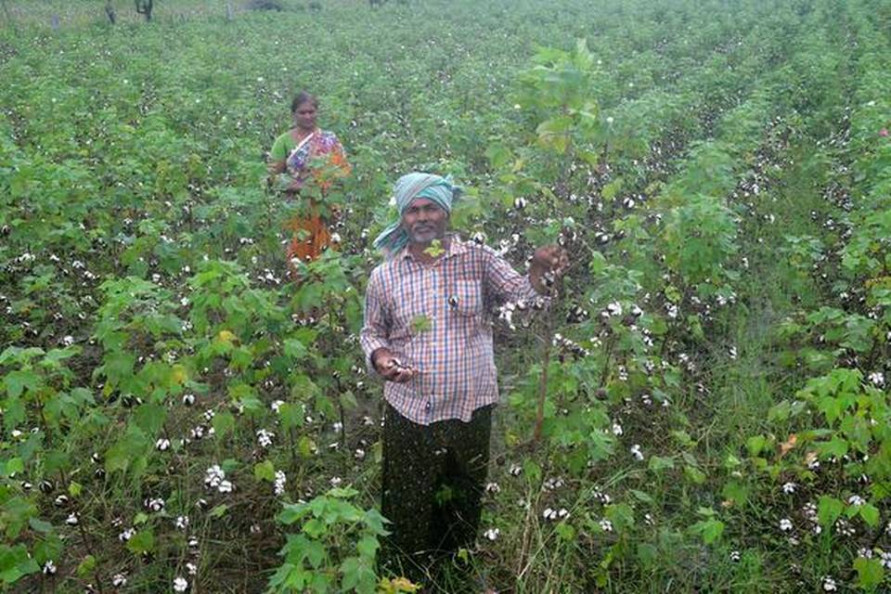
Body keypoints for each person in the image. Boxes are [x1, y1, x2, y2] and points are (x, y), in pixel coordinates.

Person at [359, 172, 568, 580]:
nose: (422, 217)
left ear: (446, 212)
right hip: (412, 409)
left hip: (472, 405)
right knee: (407, 501)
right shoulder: (385, 276)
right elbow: (372, 333)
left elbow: (526, 297)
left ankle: (456, 572)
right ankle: (403, 576)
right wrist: (382, 358)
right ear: (402, 218)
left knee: (464, 496)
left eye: (430, 207)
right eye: (413, 210)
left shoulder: (478, 258)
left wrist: (539, 271)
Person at [267, 91, 350, 276]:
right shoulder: (283, 141)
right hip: (297, 209)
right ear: (293, 114)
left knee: (327, 257)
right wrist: (304, 188)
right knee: (299, 258)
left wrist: (327, 190)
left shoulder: (329, 139)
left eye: (311, 112)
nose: (307, 116)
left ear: (317, 112)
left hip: (326, 208)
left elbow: (343, 172)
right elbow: (273, 178)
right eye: (302, 112)